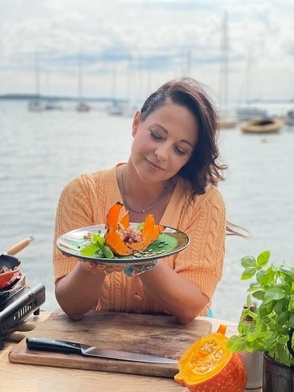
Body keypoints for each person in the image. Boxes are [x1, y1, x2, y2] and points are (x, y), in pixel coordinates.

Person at [53, 77, 228, 324]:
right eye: (156, 135)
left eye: (180, 150)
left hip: (181, 347)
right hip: (102, 343)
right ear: (136, 124)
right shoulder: (82, 192)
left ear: (189, 158)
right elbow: (72, 307)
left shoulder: (204, 201)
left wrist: (142, 258)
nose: (161, 154)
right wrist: (92, 265)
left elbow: (191, 307)